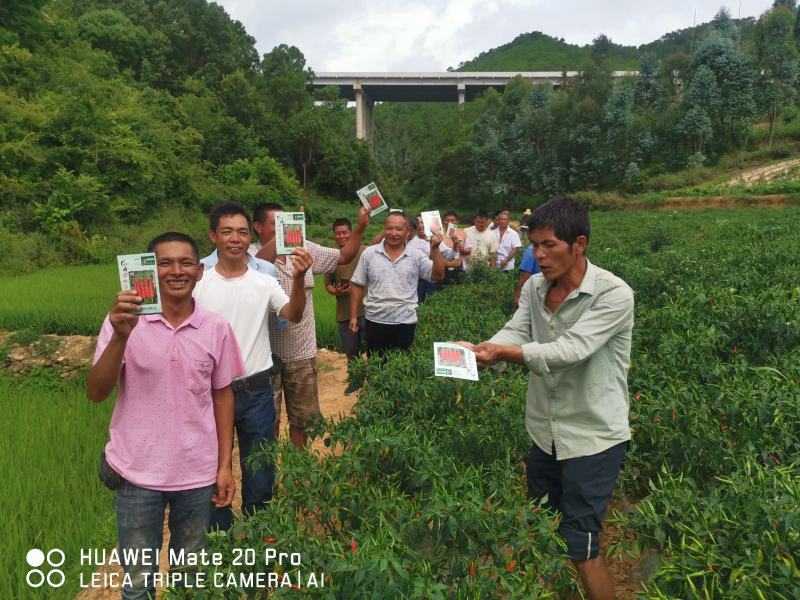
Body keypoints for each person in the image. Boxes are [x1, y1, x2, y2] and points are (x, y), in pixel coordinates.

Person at [458, 197, 634, 600]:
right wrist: (485, 349)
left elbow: (571, 351)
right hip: (545, 432)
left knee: (581, 544)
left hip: (592, 437)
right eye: (533, 244)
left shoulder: (613, 295)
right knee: (542, 528)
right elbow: (516, 331)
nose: (538, 255)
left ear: (580, 244)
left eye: (549, 245)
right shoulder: (536, 288)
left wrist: (505, 354)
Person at [87, 232, 245, 600]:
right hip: (136, 474)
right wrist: (121, 337)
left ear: (199, 271)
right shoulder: (121, 323)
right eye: (164, 263)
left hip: (197, 474)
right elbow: (96, 392)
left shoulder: (216, 327)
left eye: (186, 262)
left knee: (189, 579)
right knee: (138, 582)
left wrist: (225, 466)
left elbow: (222, 396)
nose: (177, 271)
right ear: (147, 271)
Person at [193, 202, 312, 531]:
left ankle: (260, 541)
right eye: (227, 231)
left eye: (242, 232)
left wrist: (299, 279)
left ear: (251, 237)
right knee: (213, 470)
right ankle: (221, 539)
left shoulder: (264, 280)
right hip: (209, 392)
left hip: (256, 391)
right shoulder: (198, 280)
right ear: (213, 235)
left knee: (260, 474)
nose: (235, 239)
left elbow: (293, 314)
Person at [251, 203, 370, 448]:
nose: (283, 228)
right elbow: (255, 265)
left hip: (301, 352)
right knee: (267, 422)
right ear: (257, 227)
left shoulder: (304, 249)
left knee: (303, 419)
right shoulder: (249, 255)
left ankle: (299, 469)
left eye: (286, 222)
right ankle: (270, 476)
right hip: (265, 355)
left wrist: (360, 226)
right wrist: (286, 232)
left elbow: (344, 256)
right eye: (277, 223)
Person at [349, 211, 445, 355]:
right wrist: (353, 316)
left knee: (401, 367)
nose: (393, 233)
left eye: (399, 229)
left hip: (405, 321)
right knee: (377, 365)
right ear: (384, 229)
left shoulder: (416, 256)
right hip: (375, 320)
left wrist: (435, 249)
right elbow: (357, 284)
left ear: (407, 232)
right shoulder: (369, 253)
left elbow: (437, 275)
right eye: (389, 228)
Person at [323, 217, 367, 395]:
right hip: (344, 313)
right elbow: (327, 284)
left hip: (367, 310)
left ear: (351, 233)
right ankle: (355, 382)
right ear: (334, 236)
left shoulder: (364, 252)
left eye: (345, 233)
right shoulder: (333, 257)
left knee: (374, 349)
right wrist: (337, 291)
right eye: (338, 233)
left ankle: (375, 380)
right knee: (351, 351)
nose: (341, 236)